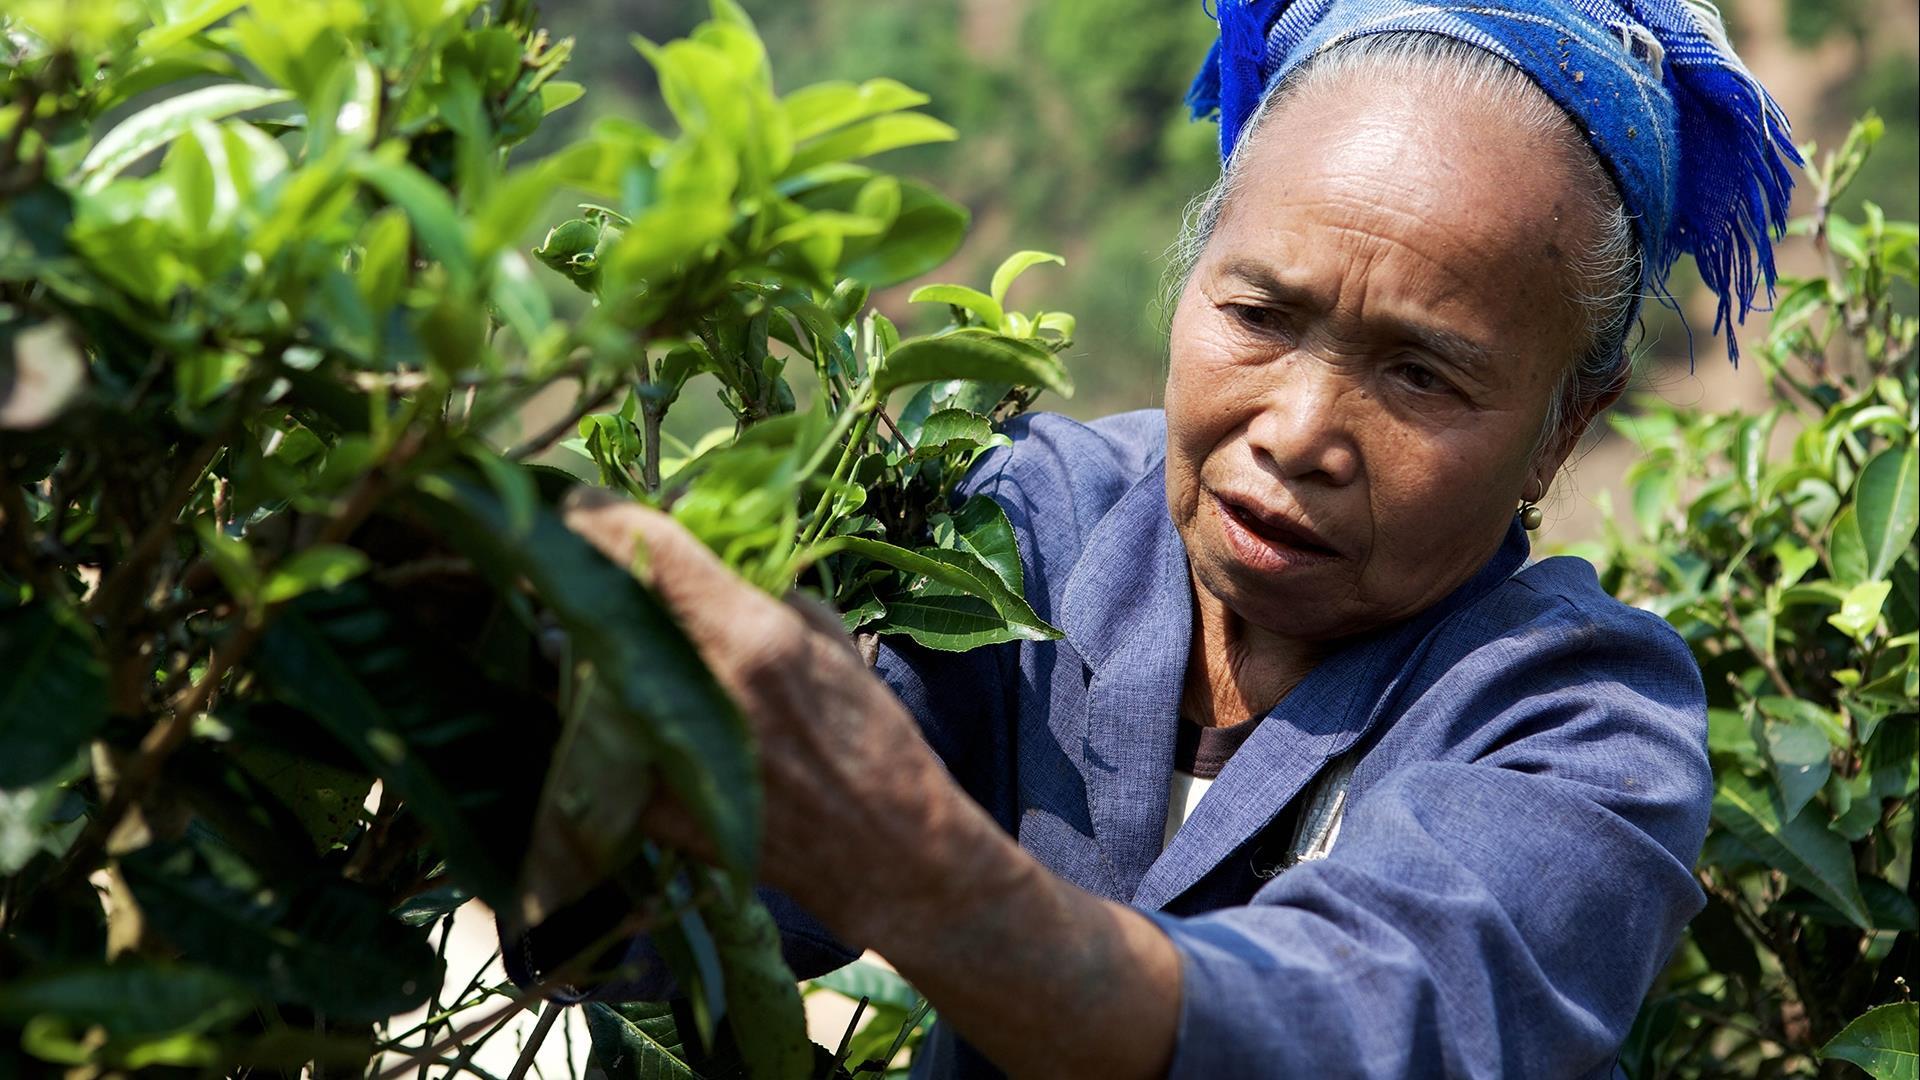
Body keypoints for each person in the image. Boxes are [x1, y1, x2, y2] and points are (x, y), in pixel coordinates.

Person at [549, 0, 1801, 1075]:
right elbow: (680, 917)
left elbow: (1353, 1026)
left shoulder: (1581, 719)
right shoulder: (1033, 530)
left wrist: (912, 867)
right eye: (1259, 314)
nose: (1302, 430)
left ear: (1561, 428)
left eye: (1422, 377)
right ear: (1190, 277)